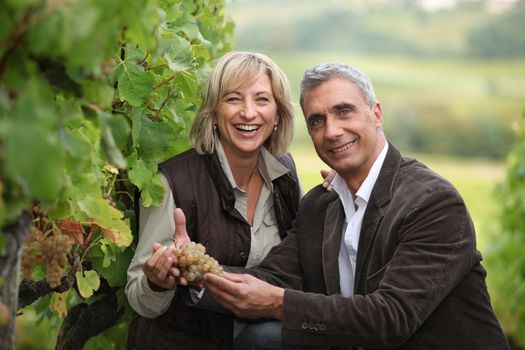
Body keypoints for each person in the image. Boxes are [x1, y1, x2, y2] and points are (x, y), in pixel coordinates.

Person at [197, 62, 511, 349]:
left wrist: (280, 303)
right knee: (262, 340)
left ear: (376, 113)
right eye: (317, 121)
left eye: (344, 111)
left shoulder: (432, 203)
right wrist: (193, 269)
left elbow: (392, 317)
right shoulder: (320, 204)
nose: (332, 132)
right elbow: (275, 278)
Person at [125, 51, 304, 349]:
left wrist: (333, 200)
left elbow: (298, 261)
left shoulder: (285, 174)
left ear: (277, 115)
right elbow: (139, 299)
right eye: (233, 99)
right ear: (214, 113)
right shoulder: (171, 182)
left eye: (262, 100)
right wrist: (158, 281)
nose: (248, 113)